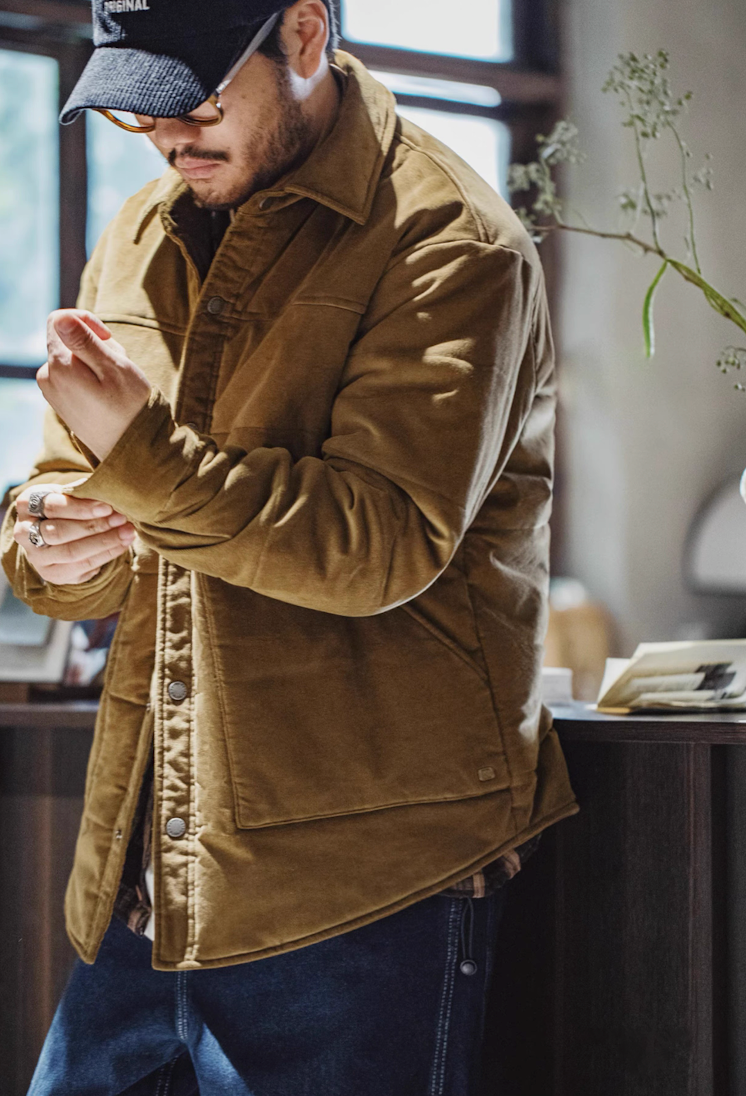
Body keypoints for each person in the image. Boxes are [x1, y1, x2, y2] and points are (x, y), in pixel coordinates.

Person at [0, 0, 577, 1092]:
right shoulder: (137, 233)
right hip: (145, 882)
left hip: (358, 894)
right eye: (139, 113)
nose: (170, 140)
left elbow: (380, 540)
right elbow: (71, 501)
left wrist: (144, 460)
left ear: (304, 37)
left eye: (197, 101)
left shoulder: (451, 240)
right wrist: (46, 545)